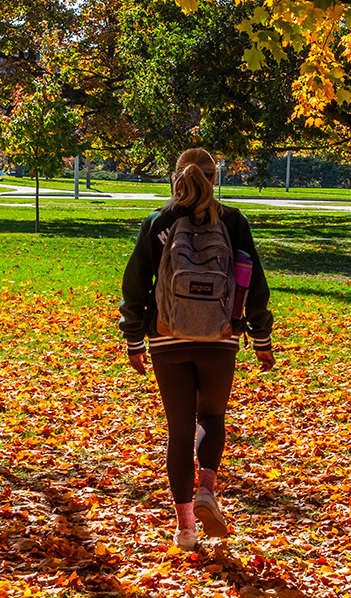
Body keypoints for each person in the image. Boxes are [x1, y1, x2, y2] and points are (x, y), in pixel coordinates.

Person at [119, 147, 275, 550]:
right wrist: (261, 337)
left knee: (179, 429)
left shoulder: (159, 221)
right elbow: (252, 281)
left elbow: (136, 282)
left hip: (167, 336)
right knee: (211, 416)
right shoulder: (233, 222)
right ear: (214, 177)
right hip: (220, 336)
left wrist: (133, 336)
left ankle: (186, 528)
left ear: (178, 177)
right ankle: (208, 486)